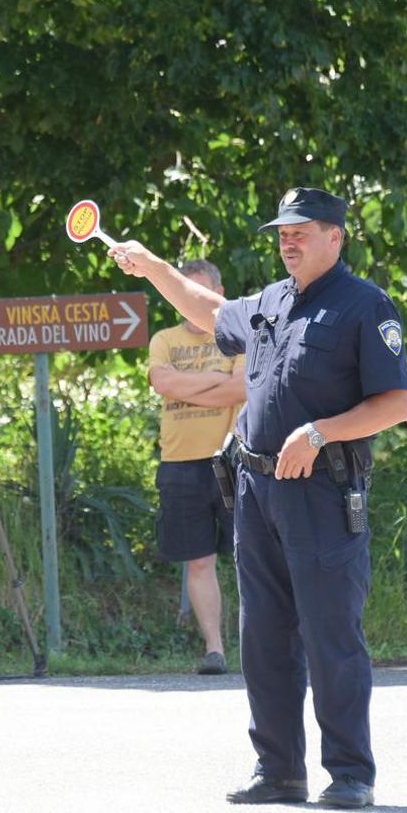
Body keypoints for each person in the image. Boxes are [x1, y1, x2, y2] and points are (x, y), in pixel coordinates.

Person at [111, 187, 407, 809]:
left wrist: (321, 432)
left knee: (331, 635)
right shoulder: (271, 300)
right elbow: (207, 310)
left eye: (301, 232)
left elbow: (395, 404)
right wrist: (154, 267)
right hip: (255, 489)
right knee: (264, 636)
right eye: (282, 233)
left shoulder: (365, 305)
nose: (288, 242)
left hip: (322, 492)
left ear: (335, 236)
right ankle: (279, 771)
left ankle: (350, 773)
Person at [147, 258, 246, 676]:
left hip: (232, 461)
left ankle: (267, 645)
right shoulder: (164, 340)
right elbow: (162, 383)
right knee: (199, 561)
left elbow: (239, 390)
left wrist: (185, 386)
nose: (190, 301)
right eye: (183, 292)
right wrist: (214, 382)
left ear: (218, 294)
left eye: (199, 293)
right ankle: (214, 650)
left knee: (252, 557)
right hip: (180, 466)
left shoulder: (237, 339)